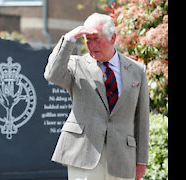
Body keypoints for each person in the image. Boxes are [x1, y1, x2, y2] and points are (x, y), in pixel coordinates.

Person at [44, 13, 149, 180]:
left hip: (122, 158)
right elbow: (52, 74)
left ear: (113, 38)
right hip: (84, 154)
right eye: (87, 39)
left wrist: (141, 161)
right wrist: (70, 38)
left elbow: (142, 119)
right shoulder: (75, 65)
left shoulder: (137, 70)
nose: (91, 45)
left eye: (96, 38)